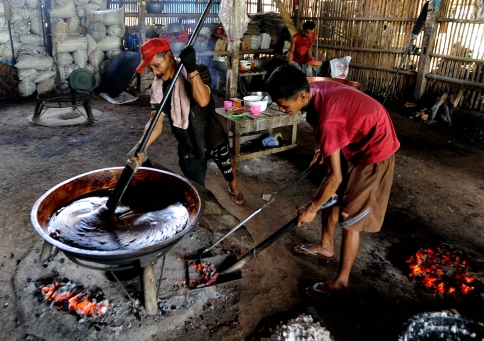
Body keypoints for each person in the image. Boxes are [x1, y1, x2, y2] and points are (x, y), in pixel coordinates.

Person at [265, 65, 400, 297]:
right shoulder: (315, 89)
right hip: (356, 141)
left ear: (303, 96)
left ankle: (341, 282)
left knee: (350, 216)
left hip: (375, 150)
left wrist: (311, 208)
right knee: (332, 196)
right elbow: (337, 123)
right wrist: (325, 148)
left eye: (284, 105)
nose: (281, 109)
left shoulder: (328, 119)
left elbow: (335, 176)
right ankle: (326, 247)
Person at [131, 38, 244, 205]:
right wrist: (142, 145)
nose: (154, 72)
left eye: (157, 65)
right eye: (150, 68)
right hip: (188, 142)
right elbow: (156, 122)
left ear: (169, 56)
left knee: (228, 167)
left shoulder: (199, 70)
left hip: (211, 134)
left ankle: (233, 186)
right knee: (197, 190)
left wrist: (191, 68)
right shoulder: (159, 87)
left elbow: (203, 101)